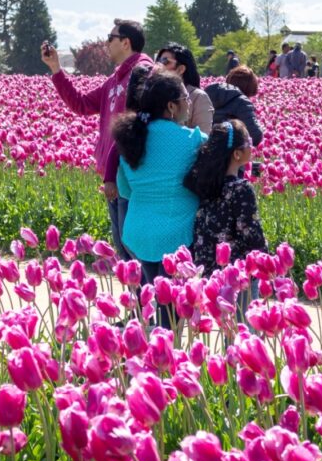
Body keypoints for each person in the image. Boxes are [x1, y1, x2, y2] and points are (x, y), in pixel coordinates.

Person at [42, 18, 153, 263]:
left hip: (130, 172)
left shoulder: (143, 74)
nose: (106, 43)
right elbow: (81, 104)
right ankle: (137, 301)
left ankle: (146, 300)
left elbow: (137, 126)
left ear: (125, 42)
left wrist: (113, 173)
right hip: (112, 173)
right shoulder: (115, 79)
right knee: (124, 249)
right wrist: (56, 70)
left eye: (110, 38)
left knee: (133, 247)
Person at [112, 69, 205, 328]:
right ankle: (167, 359)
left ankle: (151, 355)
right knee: (172, 318)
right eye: (186, 98)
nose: (189, 103)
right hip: (176, 236)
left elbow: (125, 190)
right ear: (171, 106)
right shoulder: (194, 141)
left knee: (151, 303)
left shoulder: (131, 139)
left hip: (137, 232)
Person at [186, 118, 268, 320]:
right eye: (248, 142)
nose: (253, 146)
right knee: (242, 333)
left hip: (211, 272)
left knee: (226, 327)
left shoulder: (204, 184)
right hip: (238, 274)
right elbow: (252, 234)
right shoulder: (241, 189)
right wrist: (269, 263)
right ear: (237, 154)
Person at [155, 42, 214, 134]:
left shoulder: (199, 97)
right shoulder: (153, 95)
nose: (159, 66)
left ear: (181, 69)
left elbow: (203, 139)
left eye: (165, 61)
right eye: (157, 61)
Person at [216, 66, 266, 147]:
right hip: (229, 152)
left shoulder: (212, 96)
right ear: (250, 86)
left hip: (210, 148)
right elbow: (255, 137)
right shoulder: (242, 102)